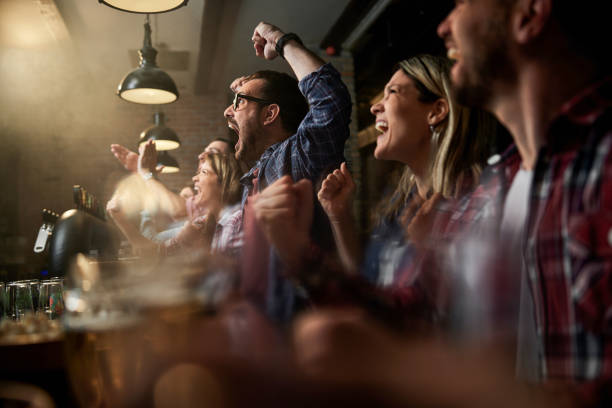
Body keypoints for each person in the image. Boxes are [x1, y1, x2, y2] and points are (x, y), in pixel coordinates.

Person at [317, 55, 495, 287]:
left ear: (436, 111)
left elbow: (473, 313)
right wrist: (339, 215)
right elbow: (368, 283)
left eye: (392, 92)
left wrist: (427, 251)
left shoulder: (480, 203)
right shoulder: (400, 201)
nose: (374, 107)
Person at [227, 22, 351, 322]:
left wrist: (280, 40)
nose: (228, 112)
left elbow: (330, 101)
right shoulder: (255, 176)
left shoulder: (298, 156)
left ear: (270, 114)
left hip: (303, 336)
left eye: (238, 103)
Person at [107, 151, 242, 257]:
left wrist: (199, 250)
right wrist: (119, 218)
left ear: (224, 181)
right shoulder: (201, 222)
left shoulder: (235, 221)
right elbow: (153, 252)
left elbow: (231, 281)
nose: (194, 178)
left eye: (203, 172)